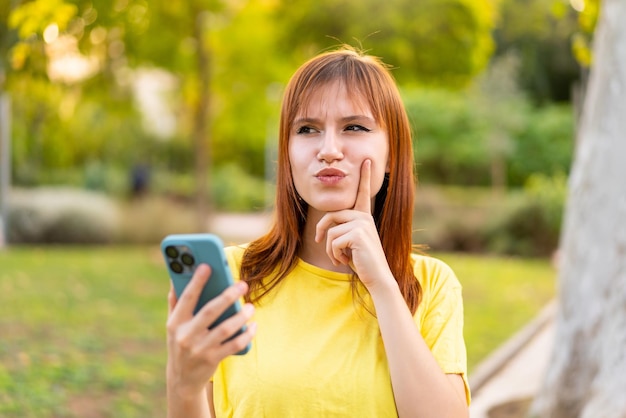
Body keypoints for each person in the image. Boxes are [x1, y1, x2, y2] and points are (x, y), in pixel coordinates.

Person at [166, 46, 470, 417]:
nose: (328, 150)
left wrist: (383, 287)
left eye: (354, 127)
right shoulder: (234, 279)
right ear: (288, 152)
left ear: (392, 154)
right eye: (307, 129)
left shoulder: (430, 283)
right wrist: (184, 386)